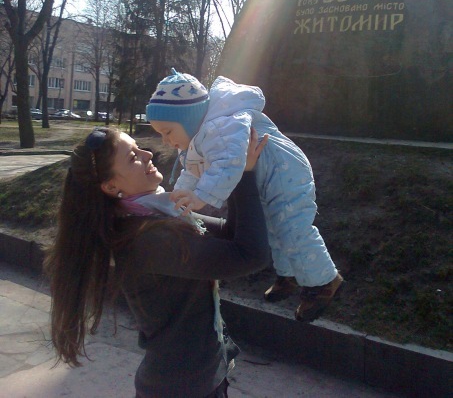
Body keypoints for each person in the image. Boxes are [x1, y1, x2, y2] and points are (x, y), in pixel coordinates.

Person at [44, 126, 269, 398]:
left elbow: (230, 234)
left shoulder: (155, 212)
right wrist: (244, 175)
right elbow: (250, 254)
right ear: (111, 186)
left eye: (138, 147)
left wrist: (229, 172)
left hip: (191, 381)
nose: (148, 154)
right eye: (133, 158)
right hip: (182, 388)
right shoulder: (148, 238)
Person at [146, 69, 343, 323]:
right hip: (268, 176)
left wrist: (200, 197)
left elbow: (228, 164)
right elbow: (192, 171)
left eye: (167, 131)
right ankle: (290, 274)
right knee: (273, 225)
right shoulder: (199, 139)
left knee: (292, 227)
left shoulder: (221, 127)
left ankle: (324, 282)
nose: (164, 140)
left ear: (188, 118)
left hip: (284, 171)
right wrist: (177, 199)